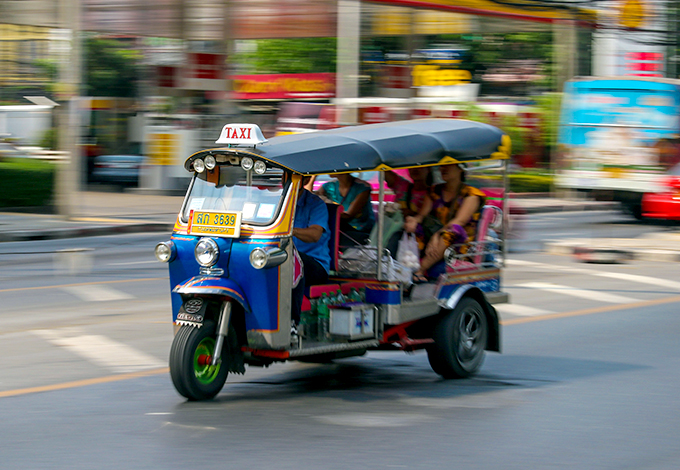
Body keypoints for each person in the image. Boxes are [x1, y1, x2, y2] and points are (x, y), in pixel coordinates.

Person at [405, 163, 485, 282]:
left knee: (453, 230)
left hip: (459, 245)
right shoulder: (434, 191)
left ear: (460, 169)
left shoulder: (472, 194)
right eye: (441, 166)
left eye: (448, 165)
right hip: (433, 239)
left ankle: (421, 270)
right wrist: (412, 220)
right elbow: (422, 215)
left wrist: (437, 236)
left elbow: (459, 221)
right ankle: (403, 266)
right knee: (413, 228)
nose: (443, 169)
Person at [291, 175, 331, 336]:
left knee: (291, 261)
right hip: (284, 257)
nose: (285, 180)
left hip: (316, 265)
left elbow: (315, 234)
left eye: (292, 176)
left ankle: (292, 323)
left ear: (305, 180)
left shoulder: (316, 204)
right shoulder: (277, 201)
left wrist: (289, 230)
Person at [316, 173, 375, 246]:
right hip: (338, 228)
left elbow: (349, 216)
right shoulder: (328, 186)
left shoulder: (362, 187)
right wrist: (312, 176)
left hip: (358, 231)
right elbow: (308, 198)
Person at [384, 167, 433, 256]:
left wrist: (410, 214)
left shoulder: (433, 194)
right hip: (390, 232)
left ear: (429, 169)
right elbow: (384, 170)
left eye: (420, 166)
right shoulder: (401, 185)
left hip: (416, 240)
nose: (415, 169)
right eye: (411, 166)